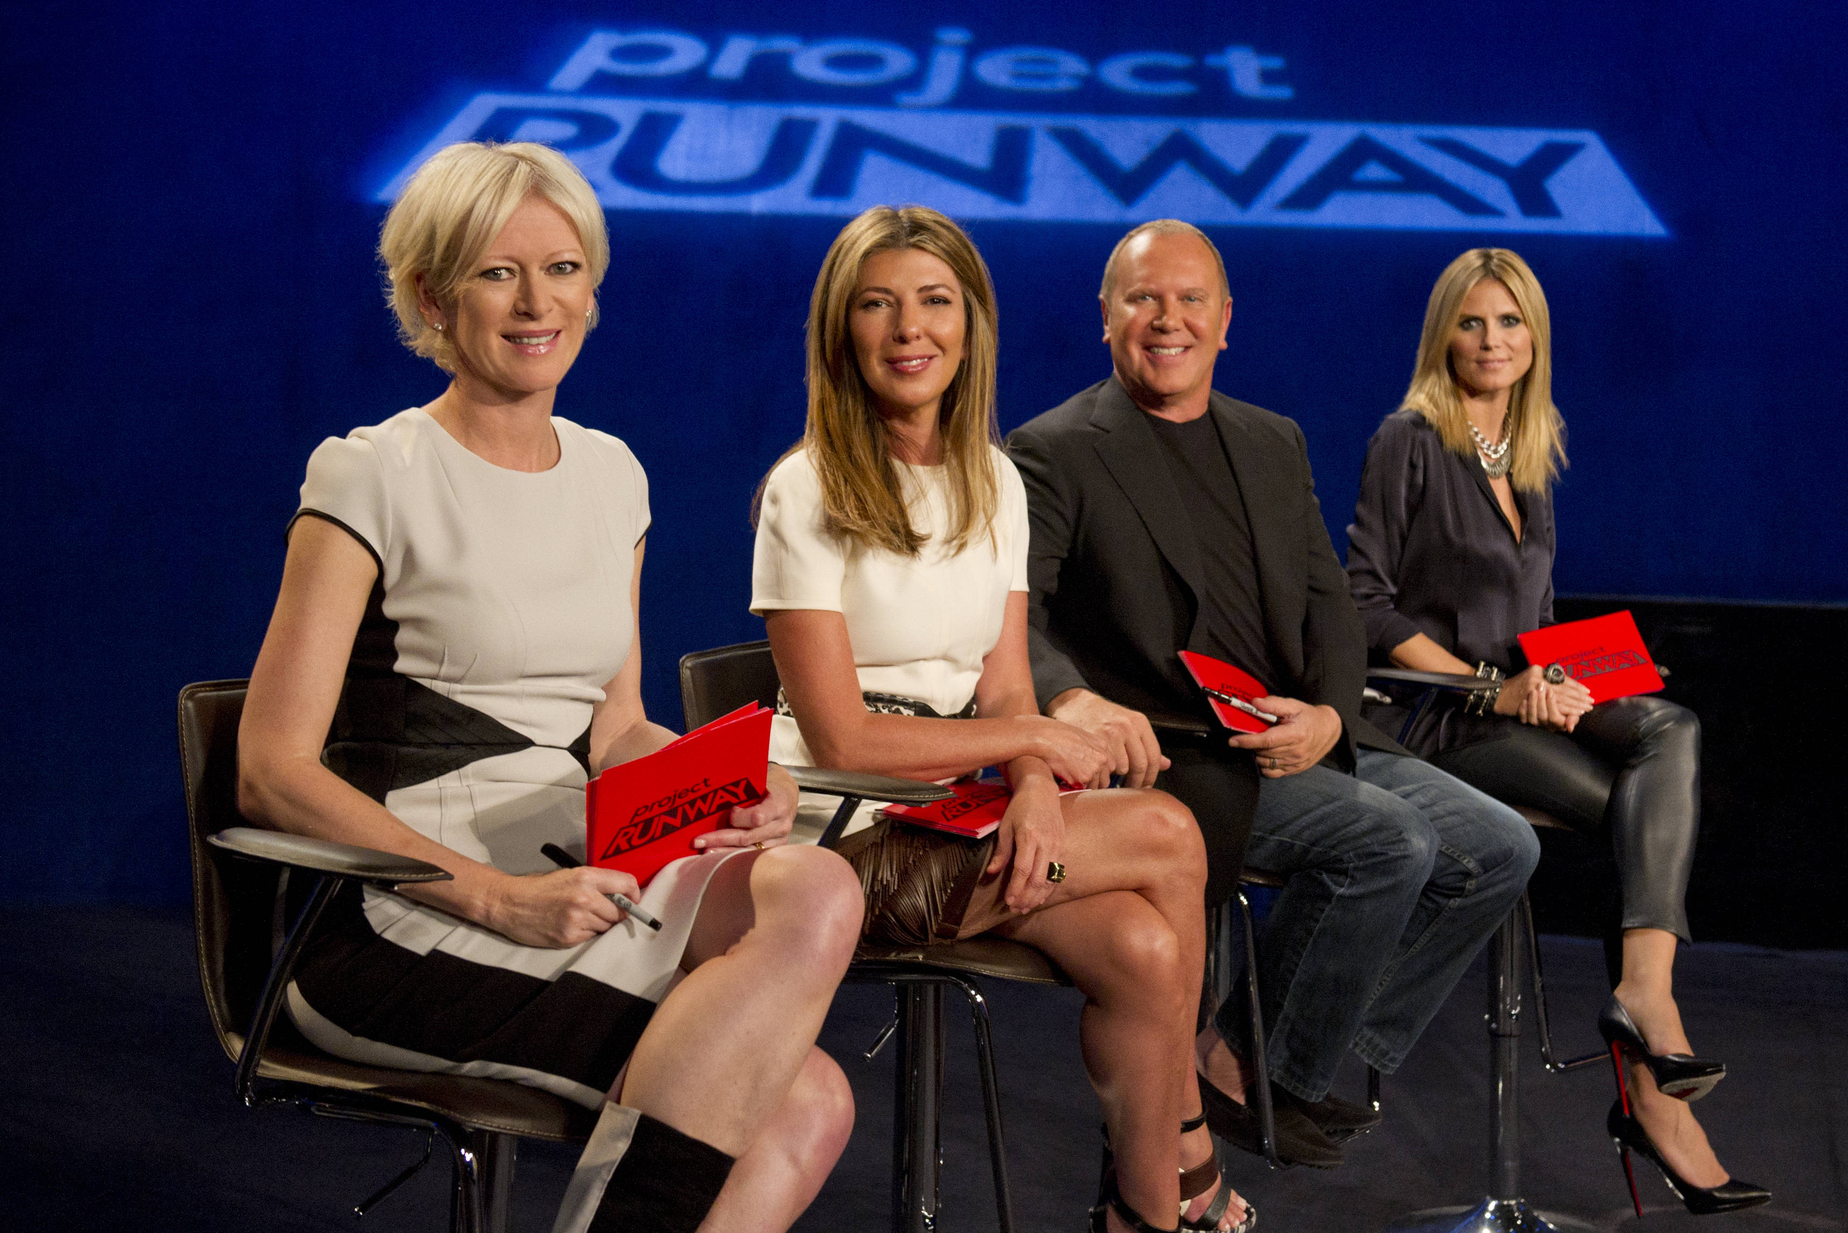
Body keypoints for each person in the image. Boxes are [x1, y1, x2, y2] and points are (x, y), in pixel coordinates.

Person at [237, 141, 864, 1233]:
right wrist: (493, 899)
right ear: (432, 295)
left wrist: (715, 788)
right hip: (396, 913)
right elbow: (269, 772)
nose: (538, 303)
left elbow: (613, 726)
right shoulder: (368, 473)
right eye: (497, 272)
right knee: (801, 1100)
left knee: (815, 885)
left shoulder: (611, 473)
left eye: (564, 269)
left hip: (572, 863)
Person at [752, 205, 1249, 1233]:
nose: (907, 330)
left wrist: (1030, 788)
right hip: (842, 837)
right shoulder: (803, 490)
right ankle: (1167, 1195)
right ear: (840, 330)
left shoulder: (995, 483)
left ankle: (1135, 1207)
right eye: (877, 306)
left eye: (934, 302)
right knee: (1164, 829)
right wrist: (1027, 749)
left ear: (970, 325)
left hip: (963, 815)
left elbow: (1008, 688)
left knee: (1148, 956)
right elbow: (842, 739)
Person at [1006, 219, 1541, 1170]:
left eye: (1190, 301)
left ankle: (1258, 1059)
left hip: (1308, 732)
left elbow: (1334, 606)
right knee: (1390, 842)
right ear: (1105, 318)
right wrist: (1069, 703)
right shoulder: (1055, 449)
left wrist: (1332, 712)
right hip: (1186, 752)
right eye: (1143, 299)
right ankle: (1264, 1069)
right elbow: (1019, 620)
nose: (1167, 320)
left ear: (1225, 323)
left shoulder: (1270, 439)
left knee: (1501, 846)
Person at [1345, 246, 1768, 1214]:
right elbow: (1362, 603)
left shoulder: (1528, 447)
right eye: (1470, 322)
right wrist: (1489, 685)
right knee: (1638, 810)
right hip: (1445, 717)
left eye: (1509, 322)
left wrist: (1569, 672)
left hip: (1534, 684)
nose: (1490, 342)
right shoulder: (1407, 438)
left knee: (1669, 724)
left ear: (1534, 336)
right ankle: (1650, 1086)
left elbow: (1523, 605)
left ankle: (1642, 1001)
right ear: (1440, 335)